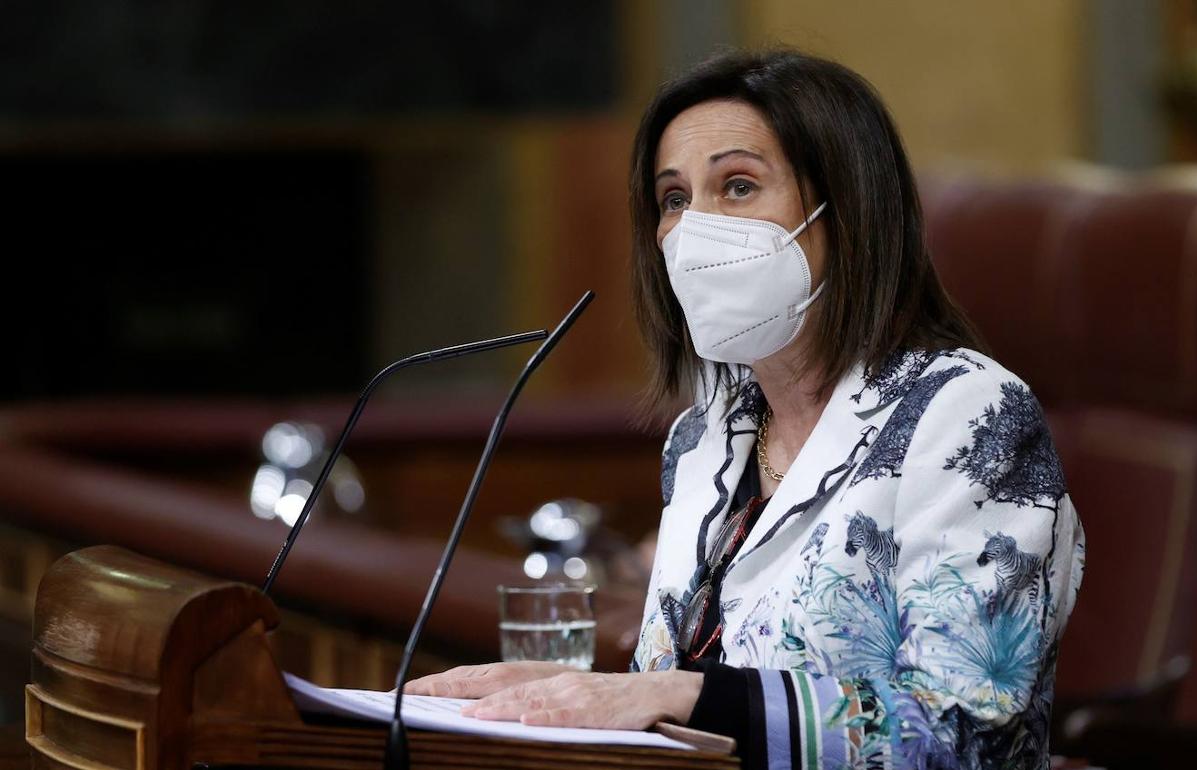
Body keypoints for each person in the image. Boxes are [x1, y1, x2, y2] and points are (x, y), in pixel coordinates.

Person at [406, 49, 1085, 770]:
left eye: (737, 186)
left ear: (847, 208)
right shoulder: (705, 434)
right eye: (673, 198)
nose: (694, 230)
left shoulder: (965, 412)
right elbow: (687, 697)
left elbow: (963, 735)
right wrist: (572, 694)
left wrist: (678, 696)